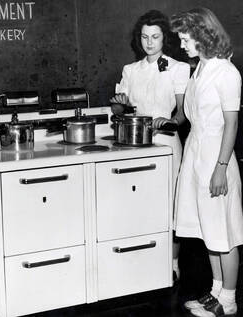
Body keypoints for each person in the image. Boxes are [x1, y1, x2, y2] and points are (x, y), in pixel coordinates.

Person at [169, 7, 243, 317]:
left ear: (203, 36)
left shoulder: (226, 73)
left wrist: (221, 169)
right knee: (206, 230)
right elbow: (188, 114)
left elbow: (232, 124)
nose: (182, 45)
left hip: (216, 158)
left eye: (186, 39)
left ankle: (229, 299)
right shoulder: (199, 68)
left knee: (224, 233)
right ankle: (214, 291)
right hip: (196, 154)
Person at [110, 10, 190, 282]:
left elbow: (183, 113)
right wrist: (118, 101)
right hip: (135, 144)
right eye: (144, 37)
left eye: (155, 37)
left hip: (167, 145)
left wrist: (167, 122)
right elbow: (121, 108)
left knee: (169, 205)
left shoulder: (179, 68)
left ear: (164, 38)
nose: (149, 42)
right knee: (137, 202)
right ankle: (140, 259)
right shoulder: (130, 71)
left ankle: (172, 263)